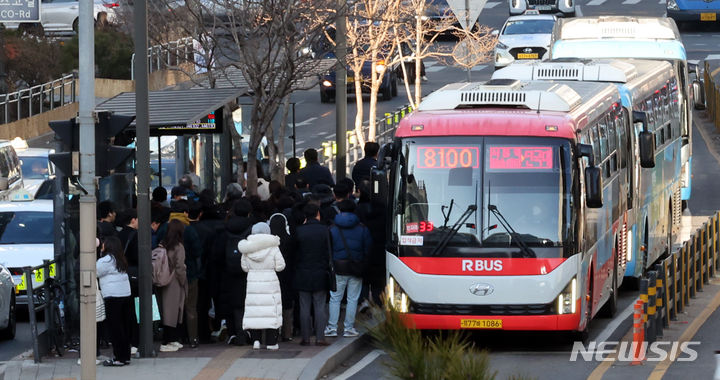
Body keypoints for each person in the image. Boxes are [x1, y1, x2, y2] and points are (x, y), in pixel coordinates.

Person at [325, 200, 371, 338]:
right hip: (356, 266)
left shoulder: (332, 228)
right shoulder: (363, 228)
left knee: (335, 298)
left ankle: (332, 328)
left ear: (339, 210)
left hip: (338, 266)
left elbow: (328, 249)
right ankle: (348, 328)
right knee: (353, 298)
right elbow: (368, 248)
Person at [239, 222, 286, 350]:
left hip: (253, 281)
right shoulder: (273, 246)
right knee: (271, 311)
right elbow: (280, 266)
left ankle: (256, 341)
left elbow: (244, 267)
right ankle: (271, 342)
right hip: (270, 281)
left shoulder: (247, 248)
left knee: (255, 312)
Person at [293, 203, 331, 346]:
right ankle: (320, 337)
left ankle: (305, 337)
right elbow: (328, 252)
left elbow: (294, 253)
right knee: (320, 306)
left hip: (302, 272)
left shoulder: (299, 231)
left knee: (304, 306)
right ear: (318, 214)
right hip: (320, 272)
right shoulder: (325, 230)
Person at [218, 199, 254, 346]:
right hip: (248, 273)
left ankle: (234, 333)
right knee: (246, 304)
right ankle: (246, 333)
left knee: (232, 304)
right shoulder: (252, 229)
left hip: (228, 272)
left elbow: (217, 254)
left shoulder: (225, 228)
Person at [96, 236, 133, 366]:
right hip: (126, 295)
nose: (102, 246)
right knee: (124, 327)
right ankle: (125, 356)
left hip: (113, 297)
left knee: (115, 329)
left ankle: (118, 358)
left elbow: (94, 272)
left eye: (103, 244)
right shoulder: (120, 259)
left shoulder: (105, 261)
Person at [158, 219, 188, 352]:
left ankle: (169, 339)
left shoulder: (163, 244)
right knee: (174, 311)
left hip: (162, 280)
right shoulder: (179, 246)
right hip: (174, 281)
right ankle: (169, 341)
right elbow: (180, 266)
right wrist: (183, 281)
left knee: (165, 311)